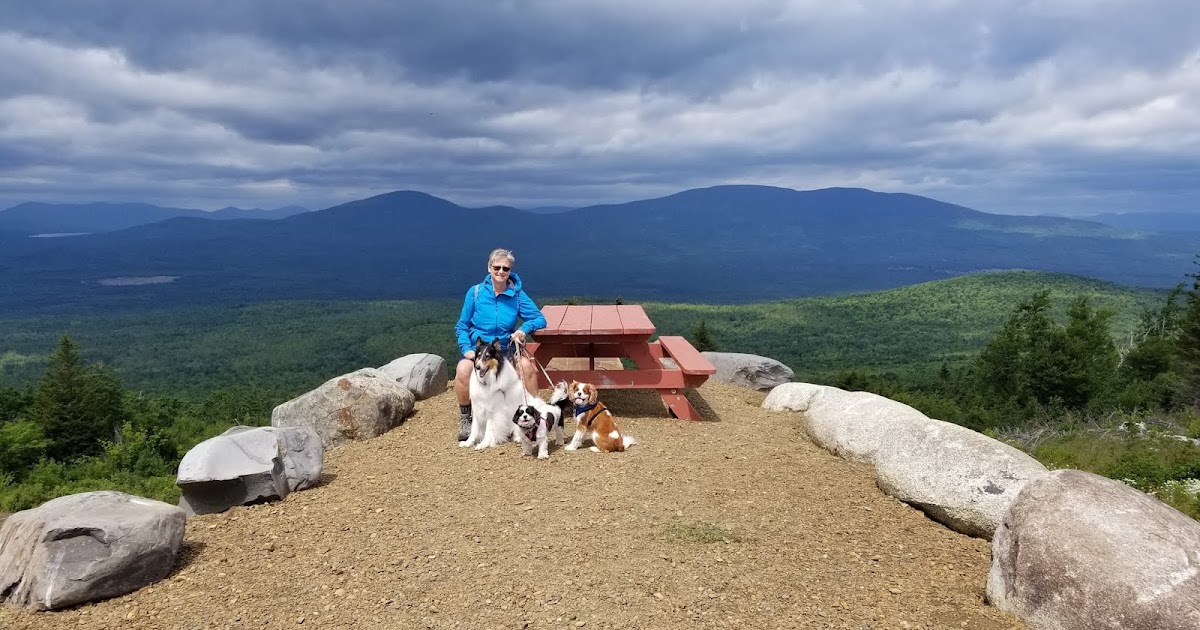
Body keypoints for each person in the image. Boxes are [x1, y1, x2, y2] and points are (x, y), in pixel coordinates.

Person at [453, 248, 546, 440]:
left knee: (527, 368)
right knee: (463, 370)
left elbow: (539, 318)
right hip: (478, 351)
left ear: (510, 270)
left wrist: (522, 329)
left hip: (506, 350)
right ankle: (466, 418)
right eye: (497, 267)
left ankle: (533, 414)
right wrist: (467, 349)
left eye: (506, 268)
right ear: (489, 268)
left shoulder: (517, 295)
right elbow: (462, 326)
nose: (501, 272)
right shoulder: (476, 293)